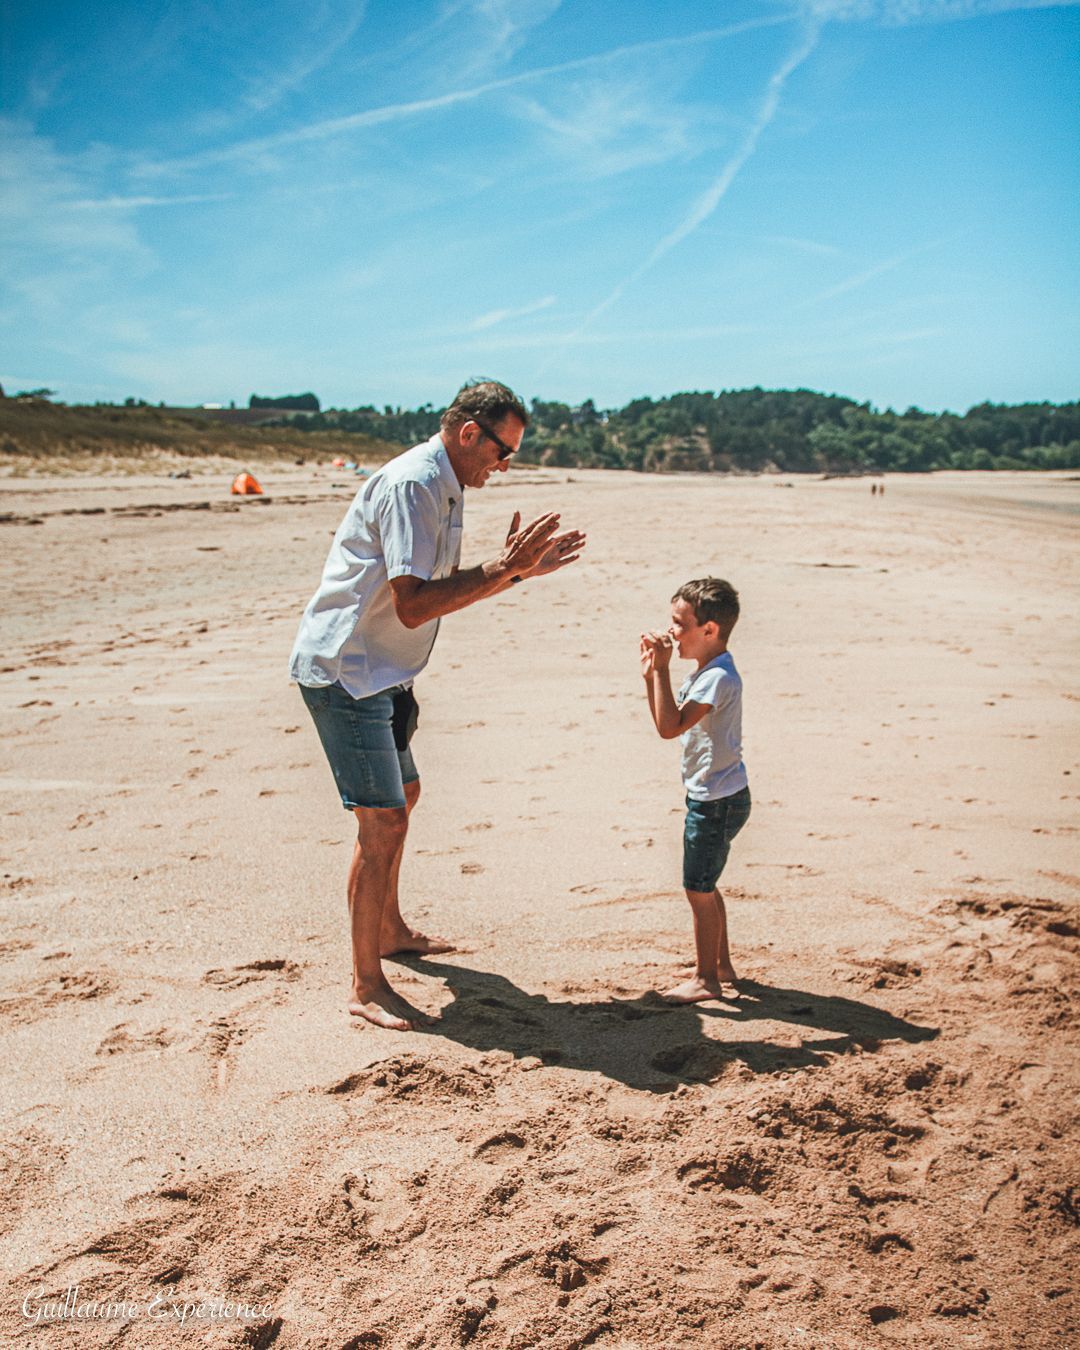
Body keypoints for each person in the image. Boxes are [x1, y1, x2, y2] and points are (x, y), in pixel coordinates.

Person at [290, 380, 586, 1030]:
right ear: (469, 433)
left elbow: (441, 590)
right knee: (383, 823)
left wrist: (514, 572)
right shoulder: (414, 486)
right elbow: (415, 603)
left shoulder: (447, 484)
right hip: (349, 672)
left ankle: (390, 930)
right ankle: (366, 986)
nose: (504, 467)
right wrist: (504, 567)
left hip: (385, 669)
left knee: (406, 794)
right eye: (504, 451)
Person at [639, 578, 751, 1004]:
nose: (671, 633)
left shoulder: (717, 679)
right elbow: (664, 722)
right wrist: (653, 674)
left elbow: (670, 728)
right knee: (707, 883)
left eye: (679, 624)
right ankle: (720, 965)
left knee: (698, 890)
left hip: (717, 802)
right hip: (717, 795)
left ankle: (708, 979)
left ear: (710, 630)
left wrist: (663, 670)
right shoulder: (708, 672)